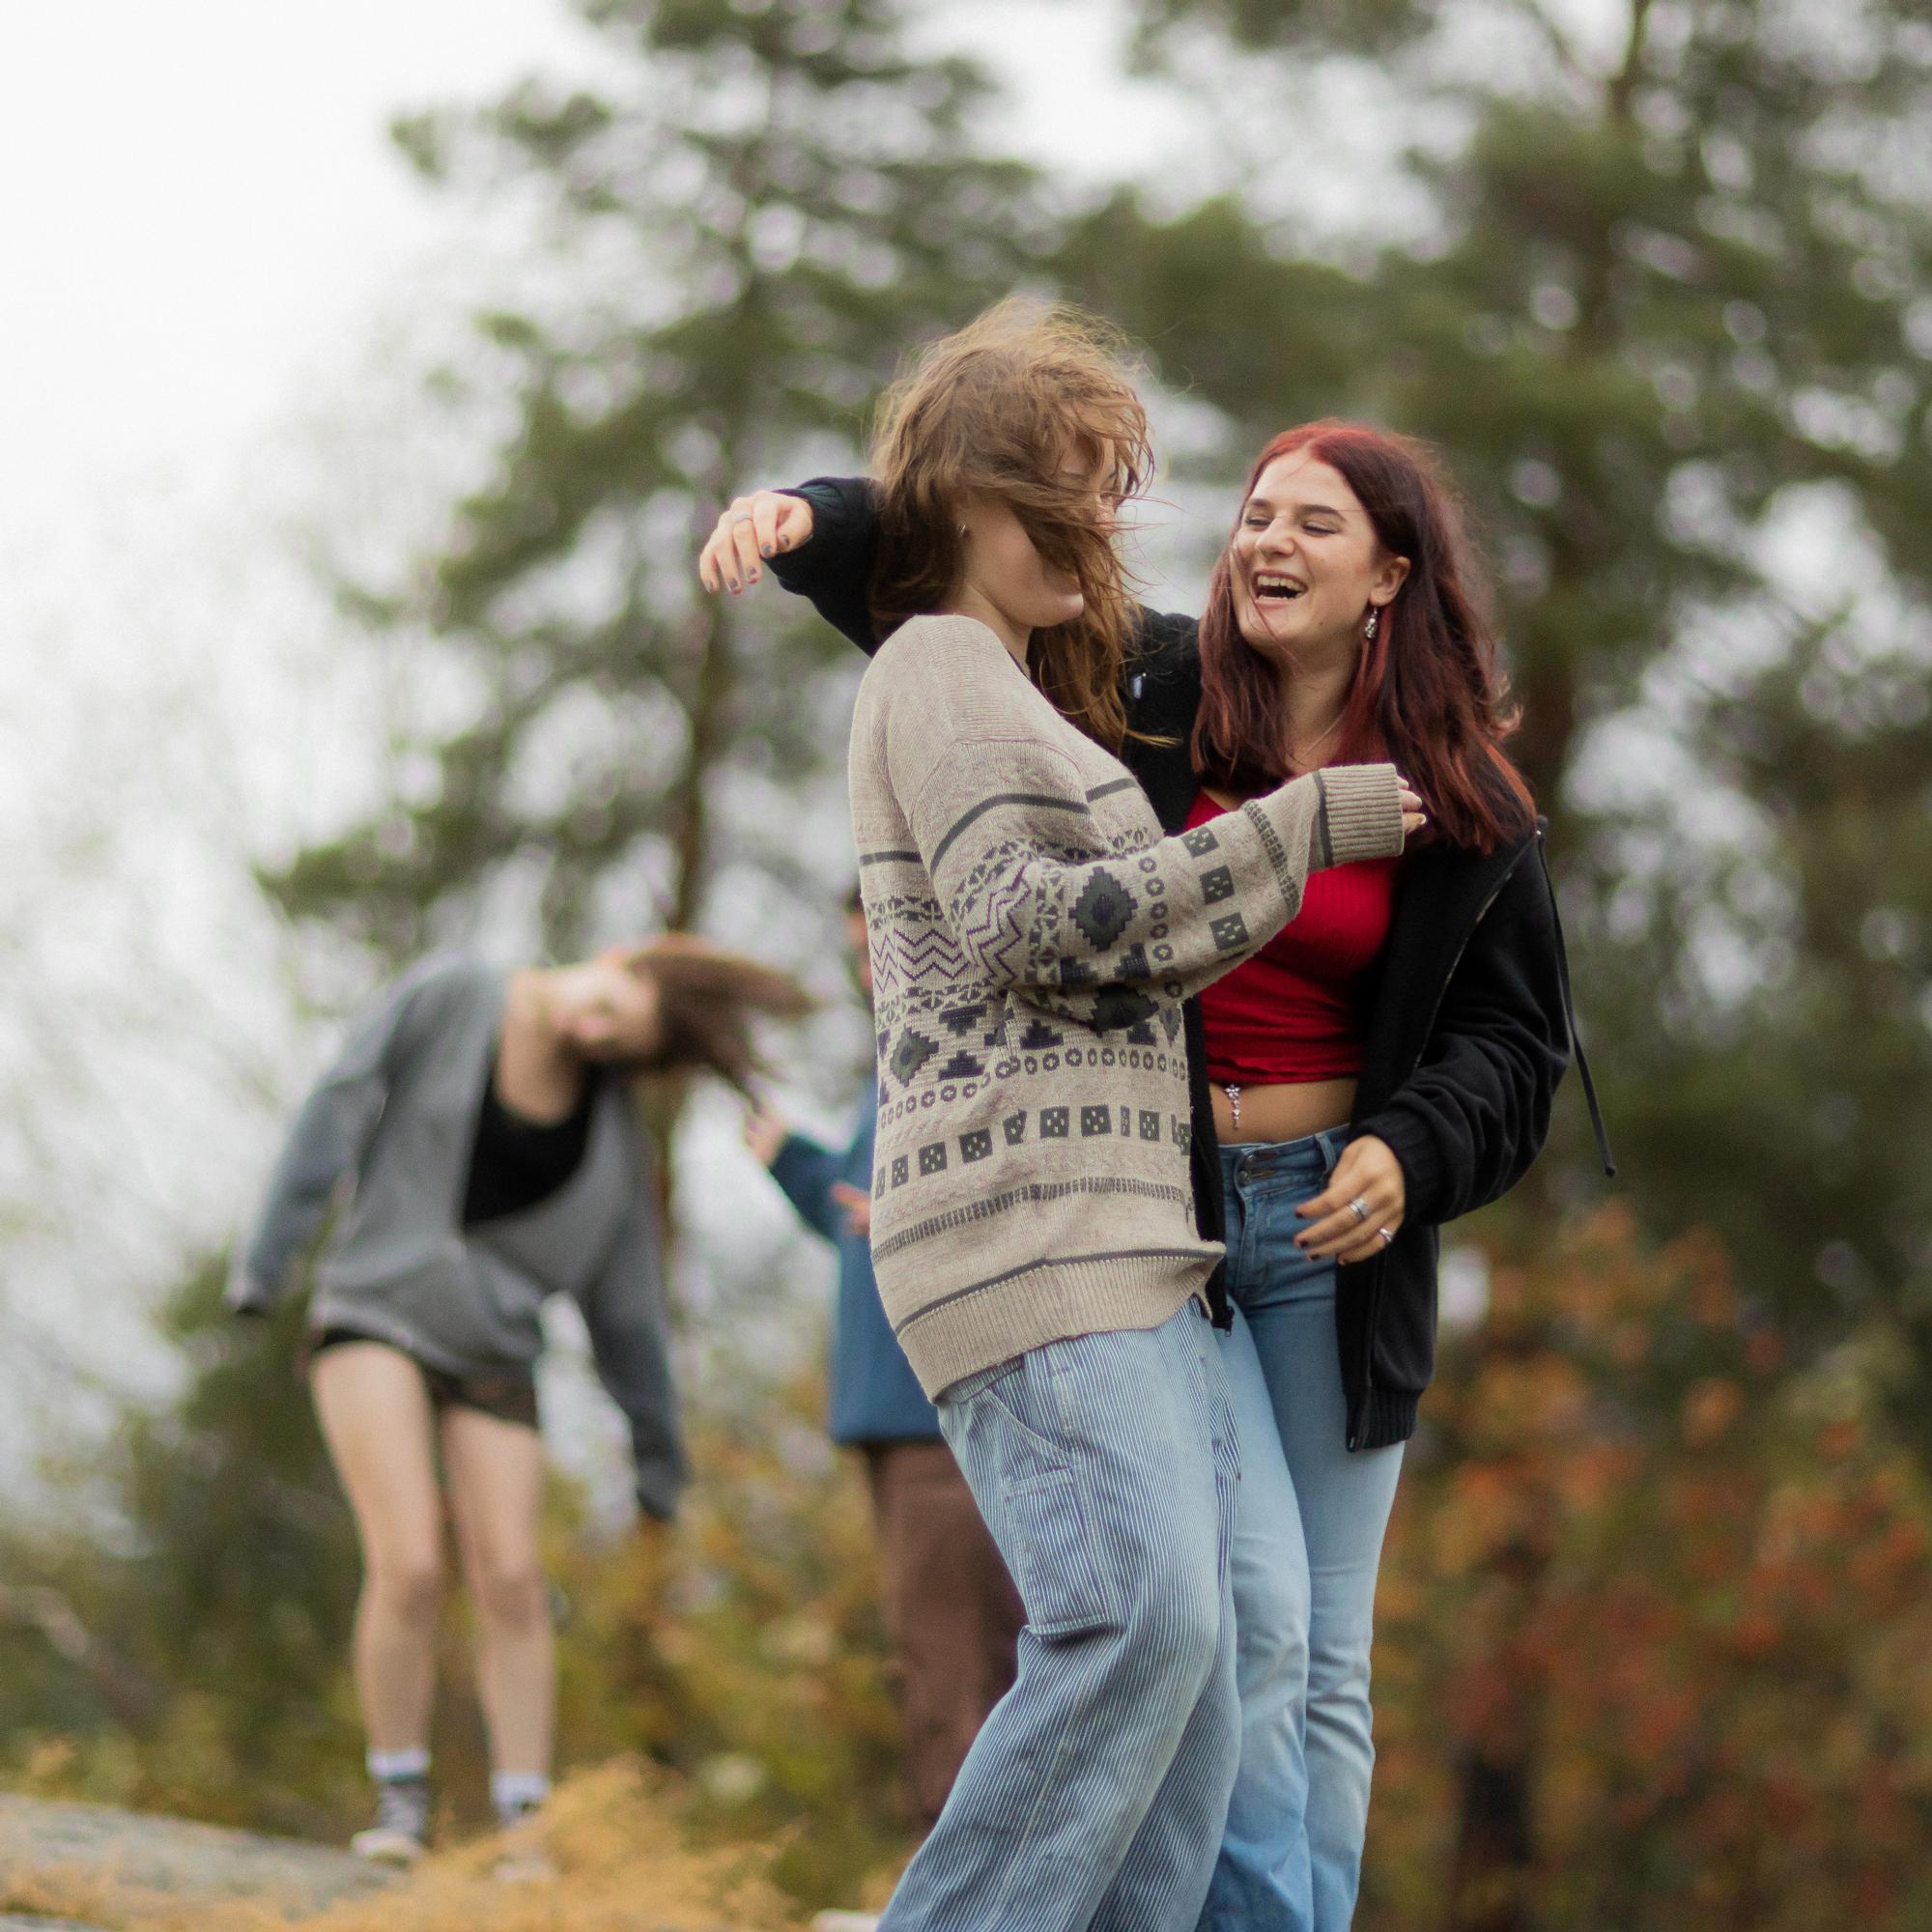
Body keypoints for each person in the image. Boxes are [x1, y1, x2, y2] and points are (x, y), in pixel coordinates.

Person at [701, 419, 1610, 1929]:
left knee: (1316, 1656)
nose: (1268, 540)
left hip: (1338, 1233)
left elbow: (1518, 1046)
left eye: (1314, 524)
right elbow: (978, 562)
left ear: (1391, 571)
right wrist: (807, 518)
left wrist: (1410, 1148)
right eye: (1256, 513)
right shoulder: (1154, 688)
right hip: (1161, 1226)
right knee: (1228, 1625)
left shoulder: (1464, 802)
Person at [228, 938, 809, 1869]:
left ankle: (525, 1828)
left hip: (494, 1348)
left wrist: (658, 1460)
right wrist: (269, 1259)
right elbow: (335, 1103)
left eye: (621, 1050)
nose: (598, 1038)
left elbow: (628, 1314)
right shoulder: (455, 995)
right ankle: (400, 1801)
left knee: (511, 1579)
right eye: (611, 1015)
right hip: (375, 1309)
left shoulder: (613, 1134)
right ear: (618, 961)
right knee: (412, 1562)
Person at [744, 885, 1025, 1836]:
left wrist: (906, 1204)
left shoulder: (973, 1057)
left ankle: (980, 1894)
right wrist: (794, 1162)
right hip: (885, 1415)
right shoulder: (894, 1065)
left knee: (958, 1667)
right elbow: (863, 1219)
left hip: (942, 1411)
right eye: (858, 953)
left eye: (884, 948)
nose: (871, 971)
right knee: (926, 1658)